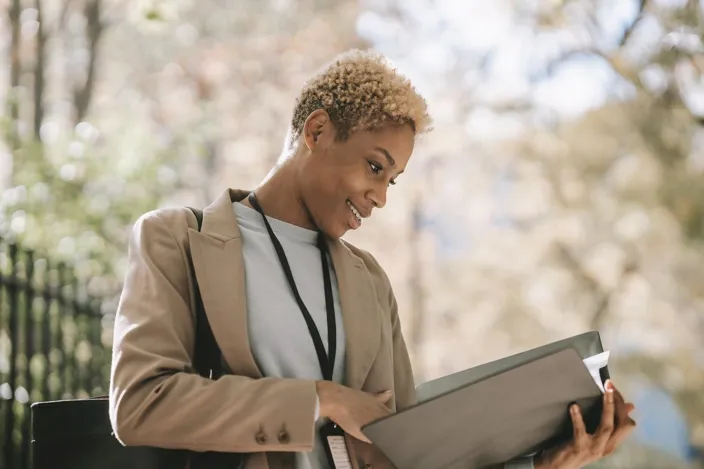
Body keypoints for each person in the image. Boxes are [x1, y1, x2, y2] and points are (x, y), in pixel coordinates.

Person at [108, 49, 636, 469]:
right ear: (316, 132)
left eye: (392, 179)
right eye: (374, 167)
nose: (381, 196)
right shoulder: (177, 239)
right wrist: (325, 399)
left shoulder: (369, 281)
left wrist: (544, 463)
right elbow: (140, 404)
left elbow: (409, 452)